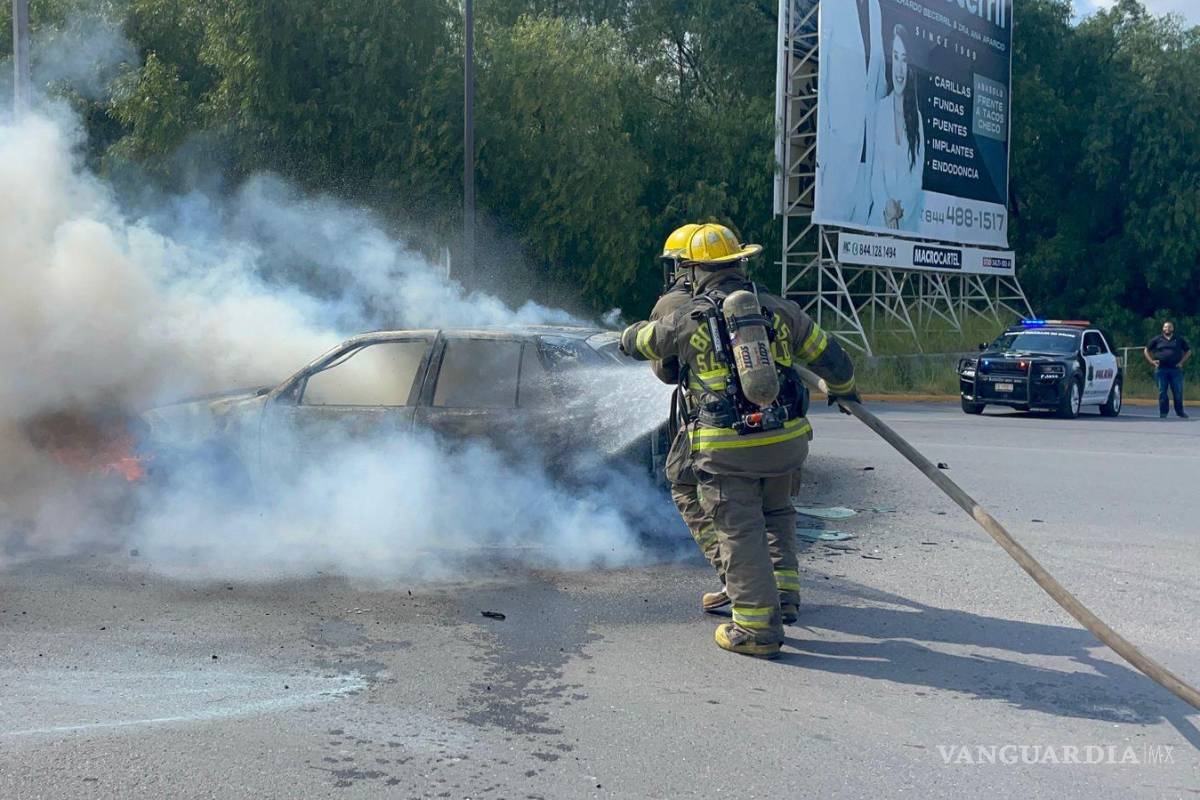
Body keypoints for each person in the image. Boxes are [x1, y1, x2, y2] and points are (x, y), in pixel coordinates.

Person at [621, 223, 858, 658]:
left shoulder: (687, 317)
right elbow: (836, 362)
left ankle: (755, 626)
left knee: (736, 524)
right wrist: (843, 389)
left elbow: (644, 347)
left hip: (728, 446)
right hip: (787, 439)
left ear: (692, 271)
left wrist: (626, 334)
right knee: (776, 507)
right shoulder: (778, 310)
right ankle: (781, 596)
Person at [817, 0, 885, 225]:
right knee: (829, 240)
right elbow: (823, 75)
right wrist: (824, 147)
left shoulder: (875, 7)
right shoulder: (834, 5)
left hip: (869, 158)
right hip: (837, 155)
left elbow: (877, 81)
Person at [869, 24, 924, 231]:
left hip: (907, 223)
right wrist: (887, 207)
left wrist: (901, 210)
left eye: (904, 59)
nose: (899, 68)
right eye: (895, 56)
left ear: (910, 66)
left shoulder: (916, 119)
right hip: (879, 221)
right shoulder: (880, 110)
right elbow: (875, 174)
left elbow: (917, 177)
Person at [1144, 321, 1191, 419]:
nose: (1167, 329)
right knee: (1162, 392)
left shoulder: (1178, 339)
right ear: (1163, 329)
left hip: (1175, 369)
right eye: (1165, 327)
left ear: (1173, 329)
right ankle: (1163, 413)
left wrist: (1181, 362)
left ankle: (1180, 412)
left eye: (1169, 327)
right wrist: (1152, 362)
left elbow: (1188, 351)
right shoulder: (1157, 339)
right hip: (1161, 369)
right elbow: (1146, 350)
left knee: (1178, 391)